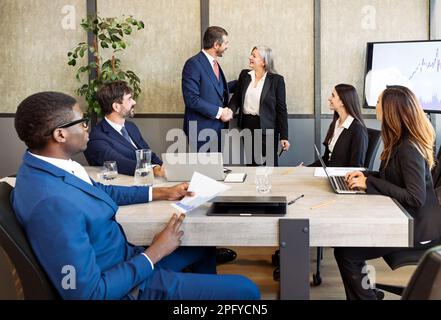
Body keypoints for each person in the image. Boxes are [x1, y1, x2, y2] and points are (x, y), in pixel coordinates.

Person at [11, 91, 260, 300]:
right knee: (246, 290)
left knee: (203, 248)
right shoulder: (51, 203)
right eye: (82, 122)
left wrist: (163, 192)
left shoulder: (51, 167)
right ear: (60, 134)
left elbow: (103, 191)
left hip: (126, 259)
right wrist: (155, 252)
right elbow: (88, 294)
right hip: (127, 285)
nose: (88, 128)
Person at [335, 85, 441, 300]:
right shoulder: (399, 140)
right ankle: (368, 293)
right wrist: (365, 176)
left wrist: (369, 183)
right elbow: (392, 178)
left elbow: (415, 197)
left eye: (379, 102)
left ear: (390, 109)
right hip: (404, 218)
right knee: (348, 248)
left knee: (347, 253)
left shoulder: (409, 148)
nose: (375, 106)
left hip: (417, 229)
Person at [84, 81, 165, 176]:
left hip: (149, 179)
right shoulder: (96, 137)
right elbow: (120, 163)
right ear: (116, 107)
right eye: (129, 99)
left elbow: (148, 154)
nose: (134, 102)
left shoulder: (131, 126)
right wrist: (153, 169)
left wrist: (164, 166)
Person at [229, 46, 289, 167]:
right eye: (251, 54)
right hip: (247, 125)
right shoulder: (245, 75)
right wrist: (230, 110)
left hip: (267, 128)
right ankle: (253, 186)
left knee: (269, 164)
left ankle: (271, 186)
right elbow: (236, 97)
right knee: (251, 164)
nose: (250, 57)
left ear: (264, 62)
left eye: (254, 56)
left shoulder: (277, 80)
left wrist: (284, 136)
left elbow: (281, 109)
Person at [182, 26, 233, 152]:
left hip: (218, 129)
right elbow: (191, 99)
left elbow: (216, 89)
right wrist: (220, 112)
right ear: (216, 45)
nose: (228, 46)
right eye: (226, 43)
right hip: (200, 131)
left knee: (216, 170)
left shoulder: (214, 64)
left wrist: (244, 80)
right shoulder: (193, 64)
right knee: (202, 171)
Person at [310, 84, 368, 167]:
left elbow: (356, 166)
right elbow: (326, 159)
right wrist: (306, 169)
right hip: (330, 174)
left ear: (342, 101)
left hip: (343, 177)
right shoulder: (334, 124)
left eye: (333, 96)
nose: (329, 98)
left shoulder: (358, 129)